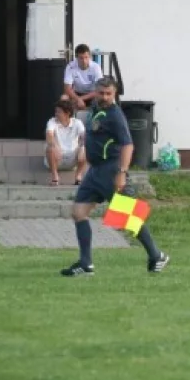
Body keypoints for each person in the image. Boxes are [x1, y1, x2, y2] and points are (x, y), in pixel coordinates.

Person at [61, 77, 169, 277]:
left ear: (114, 94)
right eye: (101, 93)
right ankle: (86, 264)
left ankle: (156, 255)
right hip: (94, 172)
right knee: (78, 212)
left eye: (109, 94)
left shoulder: (115, 115)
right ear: (95, 91)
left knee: (127, 218)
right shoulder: (94, 107)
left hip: (111, 170)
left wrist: (121, 173)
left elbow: (128, 145)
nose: (105, 97)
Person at [45, 99, 87, 185]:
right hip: (57, 156)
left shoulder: (77, 122)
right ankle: (55, 177)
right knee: (50, 147)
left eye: (59, 112)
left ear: (67, 113)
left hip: (73, 158)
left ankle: (78, 177)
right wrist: (55, 146)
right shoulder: (52, 121)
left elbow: (84, 136)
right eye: (56, 111)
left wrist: (83, 146)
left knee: (86, 147)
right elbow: (49, 135)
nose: (56, 114)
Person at [62, 44, 106, 112]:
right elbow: (67, 88)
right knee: (64, 98)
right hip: (76, 94)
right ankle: (67, 121)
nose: (84, 61)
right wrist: (77, 99)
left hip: (92, 94)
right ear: (76, 58)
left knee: (102, 99)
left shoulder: (96, 67)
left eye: (86, 57)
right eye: (81, 58)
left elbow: (99, 88)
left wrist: (81, 99)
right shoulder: (70, 66)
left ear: (90, 57)